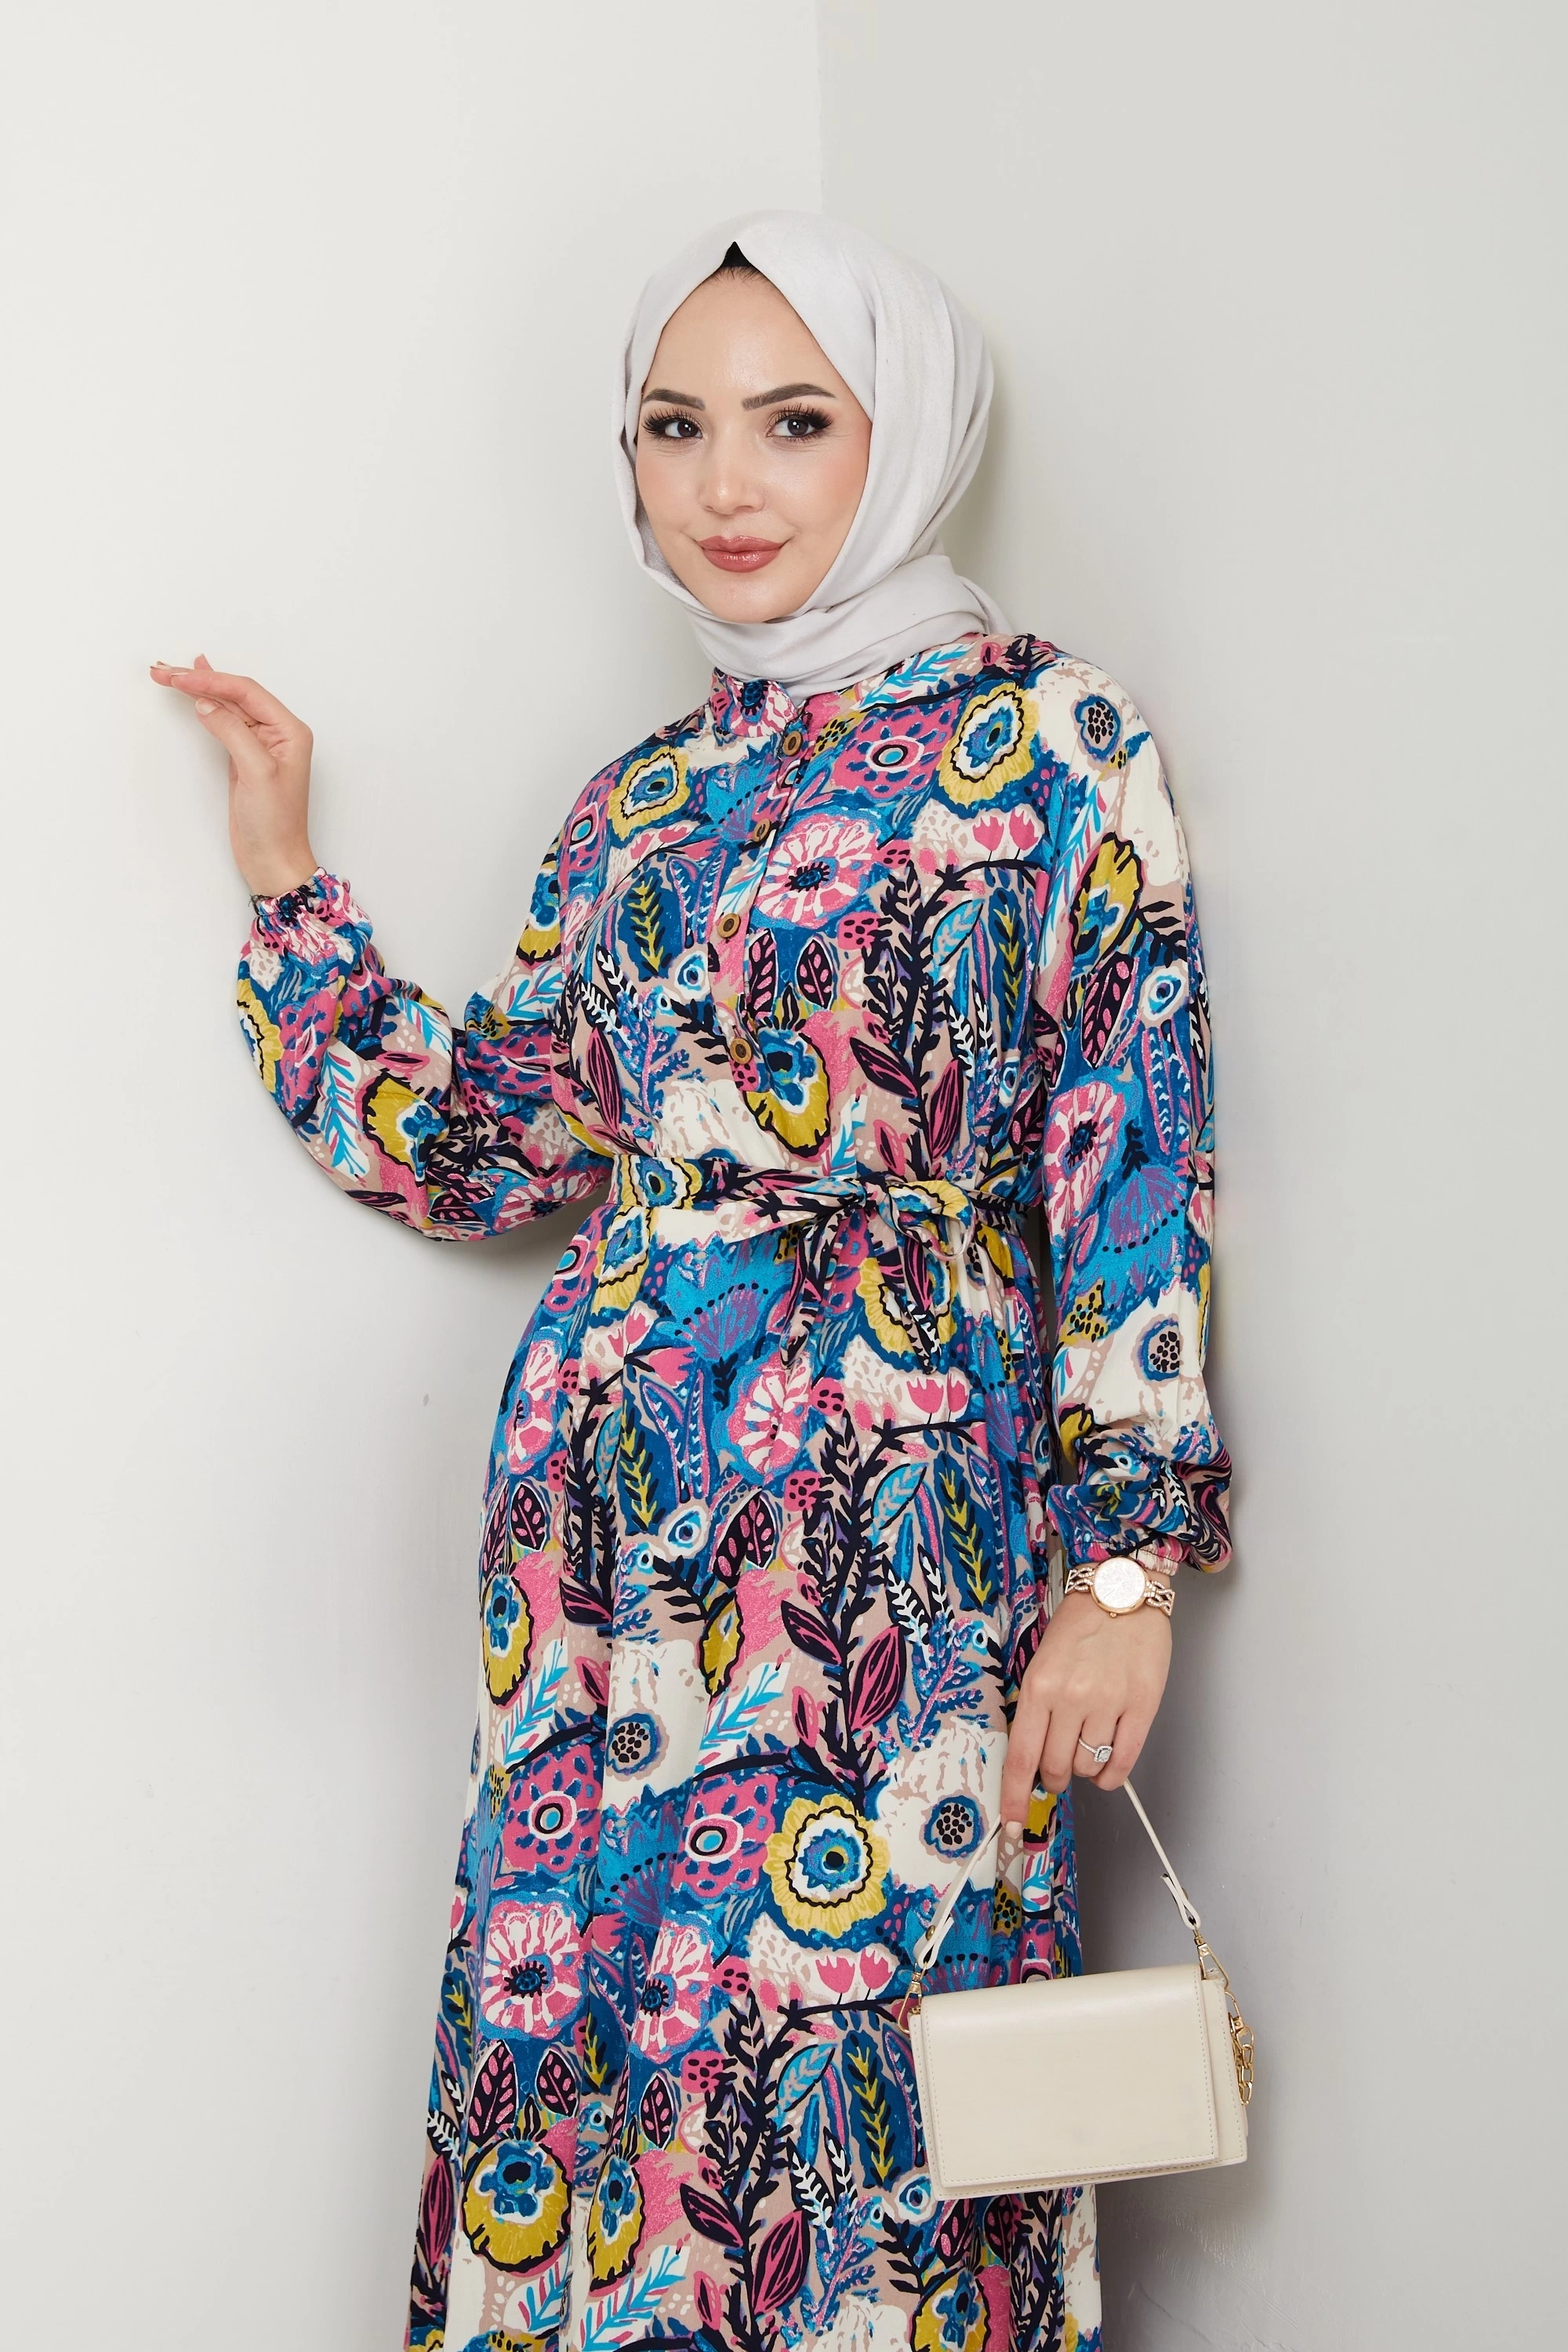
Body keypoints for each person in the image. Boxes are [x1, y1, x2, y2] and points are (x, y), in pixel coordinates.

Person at [151, 212, 1230, 2352]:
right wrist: (288, 882)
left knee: (873, 2095)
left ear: (900, 437)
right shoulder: (640, 804)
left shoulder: (1054, 738)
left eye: (793, 422)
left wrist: (1126, 1572)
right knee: (606, 2082)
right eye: (675, 426)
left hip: (893, 1542)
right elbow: (501, 1143)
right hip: (602, 1557)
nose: (726, 485)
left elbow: (1131, 1152)